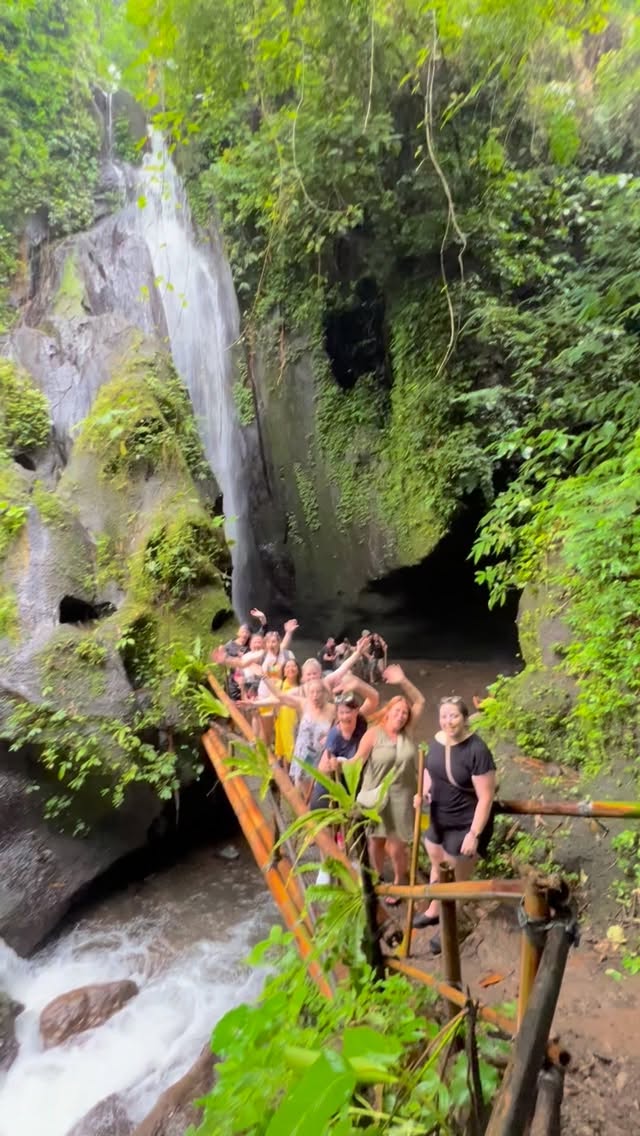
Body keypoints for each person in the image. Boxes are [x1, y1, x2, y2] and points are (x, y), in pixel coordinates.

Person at [412, 696, 496, 955]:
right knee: (437, 863)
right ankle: (433, 911)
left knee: (455, 882)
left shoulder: (476, 750)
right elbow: (430, 772)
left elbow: (486, 797)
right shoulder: (437, 741)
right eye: (444, 716)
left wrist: (474, 833)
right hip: (439, 817)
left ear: (465, 718)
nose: (448, 722)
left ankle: (452, 927)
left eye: (454, 716)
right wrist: (423, 793)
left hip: (465, 824)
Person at [341, 665, 425, 897]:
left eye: (404, 713)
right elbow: (357, 760)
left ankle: (398, 884)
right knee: (376, 841)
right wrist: (338, 763)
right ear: (387, 712)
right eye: (397, 711)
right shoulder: (373, 733)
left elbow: (419, 702)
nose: (401, 715)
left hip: (402, 797)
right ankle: (376, 877)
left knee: (398, 847)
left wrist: (403, 680)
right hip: (375, 794)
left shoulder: (408, 733)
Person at [273, 658, 302, 763]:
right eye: (287, 666)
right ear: (284, 672)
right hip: (284, 721)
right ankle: (286, 775)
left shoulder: (302, 686)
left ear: (298, 669)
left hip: (298, 721)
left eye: (293, 666)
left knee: (296, 749)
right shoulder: (279, 686)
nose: (291, 669)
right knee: (285, 749)